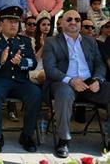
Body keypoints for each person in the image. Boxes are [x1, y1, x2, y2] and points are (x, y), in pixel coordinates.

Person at [43, 10, 110, 158]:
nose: (73, 22)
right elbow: (50, 69)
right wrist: (71, 80)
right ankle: (64, 140)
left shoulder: (90, 41)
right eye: (69, 19)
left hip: (89, 83)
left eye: (77, 19)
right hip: (64, 82)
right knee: (64, 93)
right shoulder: (52, 42)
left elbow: (100, 64)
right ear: (61, 23)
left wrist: (97, 79)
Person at [0, 6, 41, 153]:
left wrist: (21, 62)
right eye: (10, 21)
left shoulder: (25, 41)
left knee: (36, 93)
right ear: (0, 24)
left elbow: (33, 64)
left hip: (21, 81)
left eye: (16, 21)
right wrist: (0, 62)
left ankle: (27, 136)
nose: (14, 24)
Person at [29, 11, 51, 85]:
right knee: (44, 75)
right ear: (39, 26)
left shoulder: (53, 40)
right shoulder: (31, 40)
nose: (46, 27)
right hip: (35, 70)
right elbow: (34, 60)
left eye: (48, 24)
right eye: (44, 24)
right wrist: (43, 46)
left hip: (49, 69)